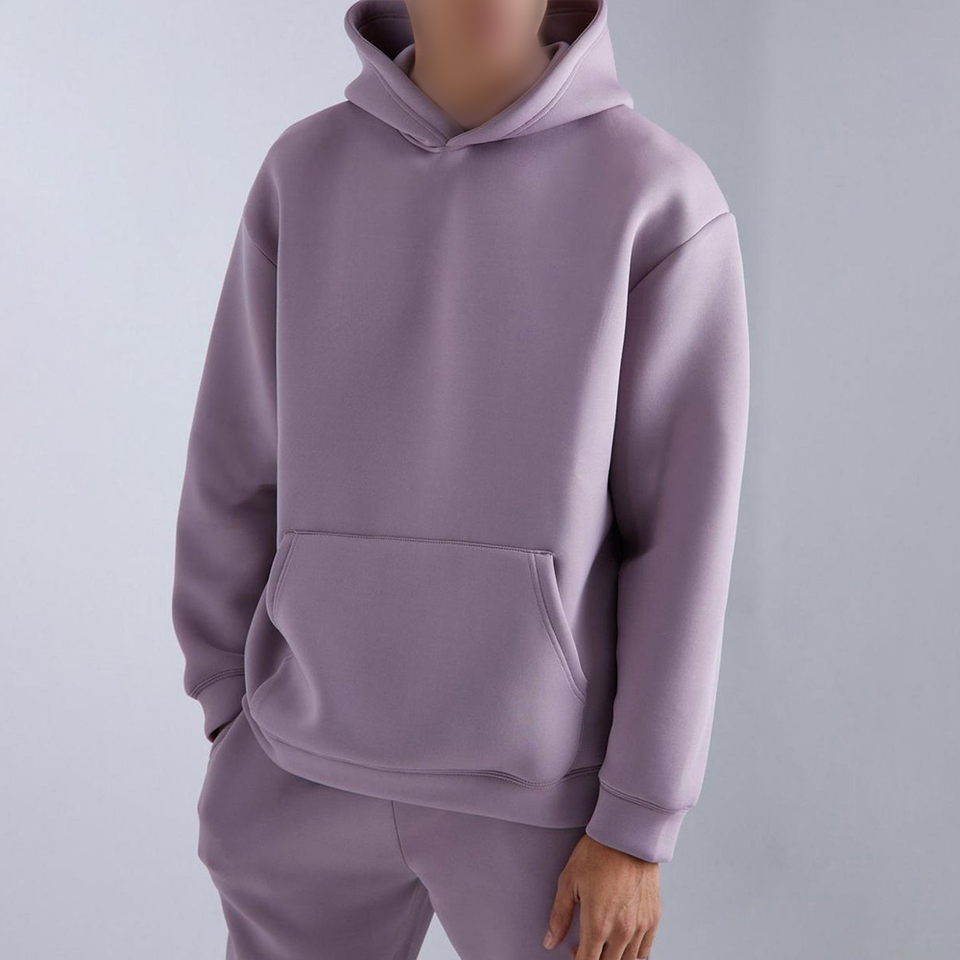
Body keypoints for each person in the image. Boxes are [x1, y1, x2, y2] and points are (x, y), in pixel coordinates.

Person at [170, 0, 750, 957]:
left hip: (543, 806)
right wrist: (228, 704)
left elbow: (681, 540)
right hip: (296, 770)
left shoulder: (657, 196)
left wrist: (638, 821)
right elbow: (233, 459)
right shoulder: (303, 174)